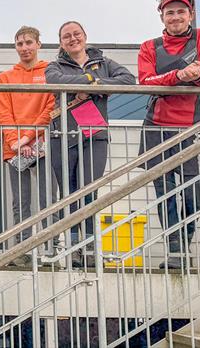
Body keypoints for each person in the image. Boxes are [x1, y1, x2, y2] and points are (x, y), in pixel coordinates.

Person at [138, 0, 200, 269]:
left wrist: (198, 76)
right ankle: (176, 252)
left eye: (180, 12)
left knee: (192, 193)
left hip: (192, 127)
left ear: (191, 14)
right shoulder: (149, 46)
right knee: (165, 192)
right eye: (169, 13)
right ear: (162, 17)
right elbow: (146, 81)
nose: (175, 17)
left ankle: (185, 244)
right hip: (156, 127)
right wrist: (178, 76)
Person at [46, 21, 135, 268]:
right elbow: (55, 81)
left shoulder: (104, 62)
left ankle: (89, 248)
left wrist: (95, 87)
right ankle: (74, 248)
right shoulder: (55, 65)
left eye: (77, 34)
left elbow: (128, 80)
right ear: (61, 42)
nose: (72, 38)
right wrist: (89, 79)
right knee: (70, 194)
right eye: (66, 36)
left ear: (85, 36)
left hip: (94, 135)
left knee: (88, 191)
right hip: (62, 135)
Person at [0, 26, 55, 267]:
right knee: (21, 202)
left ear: (39, 44)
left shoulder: (51, 72)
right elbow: (4, 113)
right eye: (20, 44)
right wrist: (14, 142)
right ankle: (23, 250)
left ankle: (52, 249)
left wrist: (29, 137)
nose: (24, 48)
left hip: (42, 146)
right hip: (15, 149)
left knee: (48, 199)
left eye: (29, 42)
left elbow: (50, 109)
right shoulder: (5, 78)